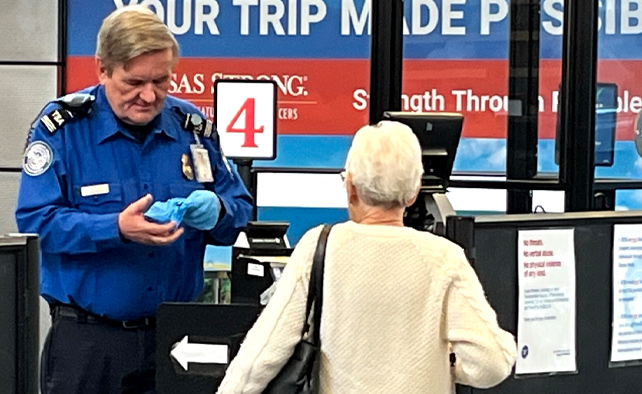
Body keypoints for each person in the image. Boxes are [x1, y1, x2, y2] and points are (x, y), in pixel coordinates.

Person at [15, 5, 253, 394]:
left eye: (161, 81)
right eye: (134, 82)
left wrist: (219, 212)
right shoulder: (63, 129)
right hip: (90, 344)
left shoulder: (190, 129)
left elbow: (239, 208)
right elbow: (36, 223)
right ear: (102, 69)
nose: (149, 95)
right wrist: (116, 228)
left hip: (177, 339)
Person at [217, 121, 517, 394]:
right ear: (414, 193)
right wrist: (442, 362)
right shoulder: (444, 258)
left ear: (351, 189)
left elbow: (260, 357)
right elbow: (493, 363)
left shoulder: (320, 246)